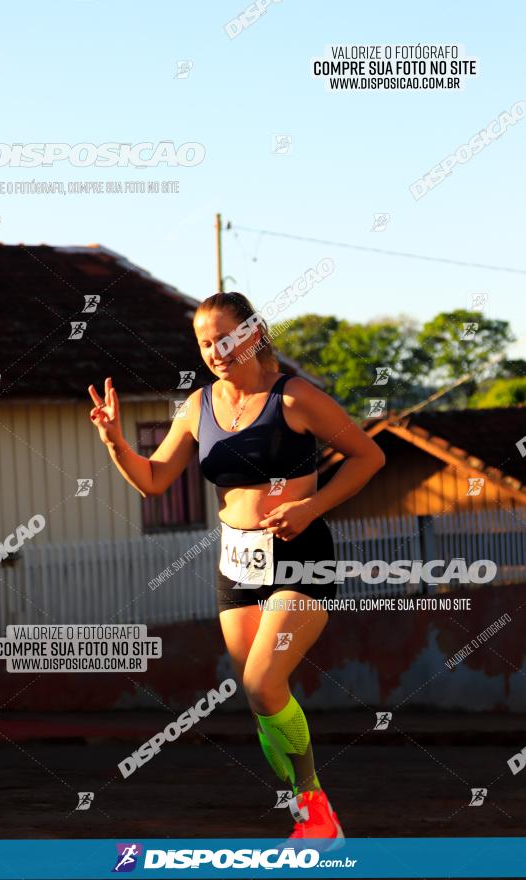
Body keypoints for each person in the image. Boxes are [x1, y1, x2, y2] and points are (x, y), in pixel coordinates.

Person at [88, 291, 385, 843]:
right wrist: (113, 441)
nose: (216, 350)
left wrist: (310, 506)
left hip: (300, 554)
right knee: (259, 697)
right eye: (205, 342)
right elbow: (153, 481)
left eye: (226, 337)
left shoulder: (293, 398)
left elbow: (370, 456)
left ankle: (316, 814)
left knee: (262, 678)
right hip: (236, 561)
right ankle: (310, 808)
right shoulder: (198, 406)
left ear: (252, 333)